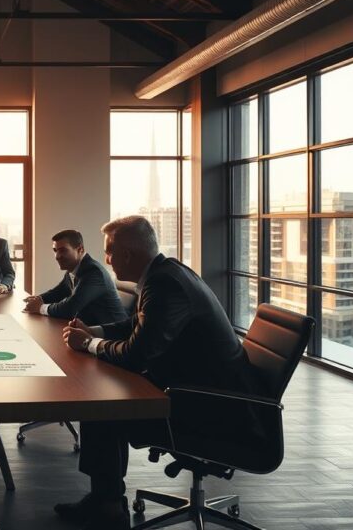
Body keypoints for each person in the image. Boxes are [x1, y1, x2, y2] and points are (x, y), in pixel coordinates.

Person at [56, 216, 263, 530]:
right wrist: (94, 331)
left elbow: (138, 353)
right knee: (101, 396)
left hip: (214, 405)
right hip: (202, 385)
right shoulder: (164, 274)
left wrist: (91, 344)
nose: (106, 259)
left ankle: (107, 503)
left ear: (128, 254)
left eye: (110, 251)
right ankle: (105, 499)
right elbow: (138, 326)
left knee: (101, 403)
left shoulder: (165, 284)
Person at [23, 229, 128, 326]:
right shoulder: (73, 269)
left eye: (63, 250)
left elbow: (71, 307)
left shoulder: (94, 272)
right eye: (55, 250)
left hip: (112, 335)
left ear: (80, 249)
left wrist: (40, 308)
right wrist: (39, 299)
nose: (57, 256)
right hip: (89, 329)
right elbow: (58, 292)